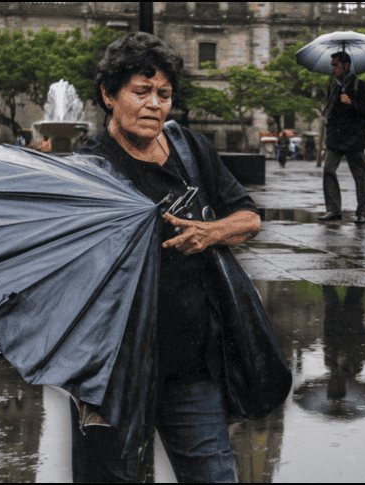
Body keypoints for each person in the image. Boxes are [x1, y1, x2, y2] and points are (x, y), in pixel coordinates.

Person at [74, 31, 263, 482]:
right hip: (114, 372)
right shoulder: (89, 168)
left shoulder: (190, 148)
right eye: (140, 92)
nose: (154, 104)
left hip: (191, 367)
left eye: (163, 94)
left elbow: (250, 218)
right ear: (108, 95)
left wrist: (210, 232)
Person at [317, 51, 365, 225]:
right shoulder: (332, 87)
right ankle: (333, 209)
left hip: (354, 138)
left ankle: (361, 211)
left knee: (360, 175)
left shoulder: (360, 86)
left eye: (336, 65)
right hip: (335, 138)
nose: (333, 68)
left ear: (346, 65)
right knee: (328, 170)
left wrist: (351, 103)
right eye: (332, 65)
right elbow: (329, 113)